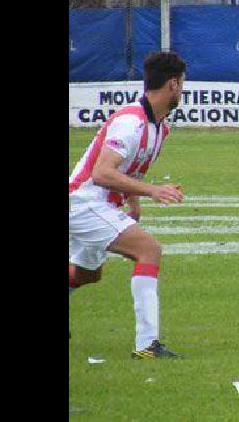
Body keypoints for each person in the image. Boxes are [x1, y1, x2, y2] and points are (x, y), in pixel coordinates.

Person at [69, 51, 188, 359]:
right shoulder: (131, 121)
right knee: (149, 249)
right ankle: (147, 346)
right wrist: (152, 191)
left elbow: (129, 168)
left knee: (87, 275)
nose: (183, 90)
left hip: (96, 204)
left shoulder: (160, 127)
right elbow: (102, 172)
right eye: (182, 83)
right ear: (173, 84)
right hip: (83, 201)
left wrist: (134, 200)